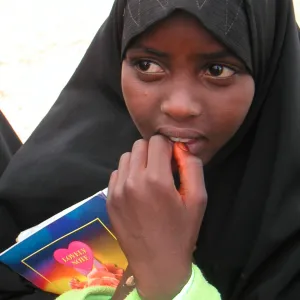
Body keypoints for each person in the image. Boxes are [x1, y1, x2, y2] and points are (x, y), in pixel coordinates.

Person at [0, 0, 300, 299]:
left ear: (267, 66)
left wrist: (168, 281)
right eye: (147, 65)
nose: (179, 106)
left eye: (218, 70)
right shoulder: (48, 192)